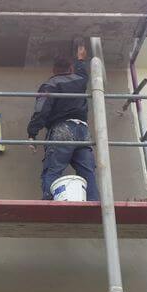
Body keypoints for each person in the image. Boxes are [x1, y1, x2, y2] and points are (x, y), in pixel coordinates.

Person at [27, 43, 100, 201]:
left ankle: (49, 204)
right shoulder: (80, 81)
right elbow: (83, 74)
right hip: (83, 131)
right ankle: (94, 204)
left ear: (54, 70)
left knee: (53, 170)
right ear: (71, 69)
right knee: (87, 172)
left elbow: (41, 110)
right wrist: (80, 59)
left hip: (62, 129)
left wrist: (32, 133)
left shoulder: (50, 85)